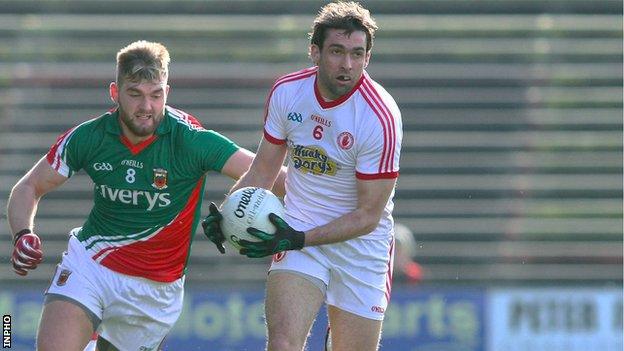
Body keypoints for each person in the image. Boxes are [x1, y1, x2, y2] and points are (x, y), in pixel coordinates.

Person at [7, 40, 284, 351]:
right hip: (92, 263)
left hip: (156, 290)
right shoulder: (90, 137)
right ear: (115, 93)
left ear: (168, 92)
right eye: (135, 94)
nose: (146, 107)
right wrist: (22, 234)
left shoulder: (192, 140)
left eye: (156, 95)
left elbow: (271, 174)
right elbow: (29, 187)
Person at [202, 2, 402, 350]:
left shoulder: (379, 117)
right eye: (337, 52)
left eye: (357, 54)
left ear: (368, 57)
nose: (347, 65)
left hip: (360, 248)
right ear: (315, 51)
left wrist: (300, 238)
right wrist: (228, 214)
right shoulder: (288, 92)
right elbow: (263, 169)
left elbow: (368, 216)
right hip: (296, 227)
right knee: (282, 343)